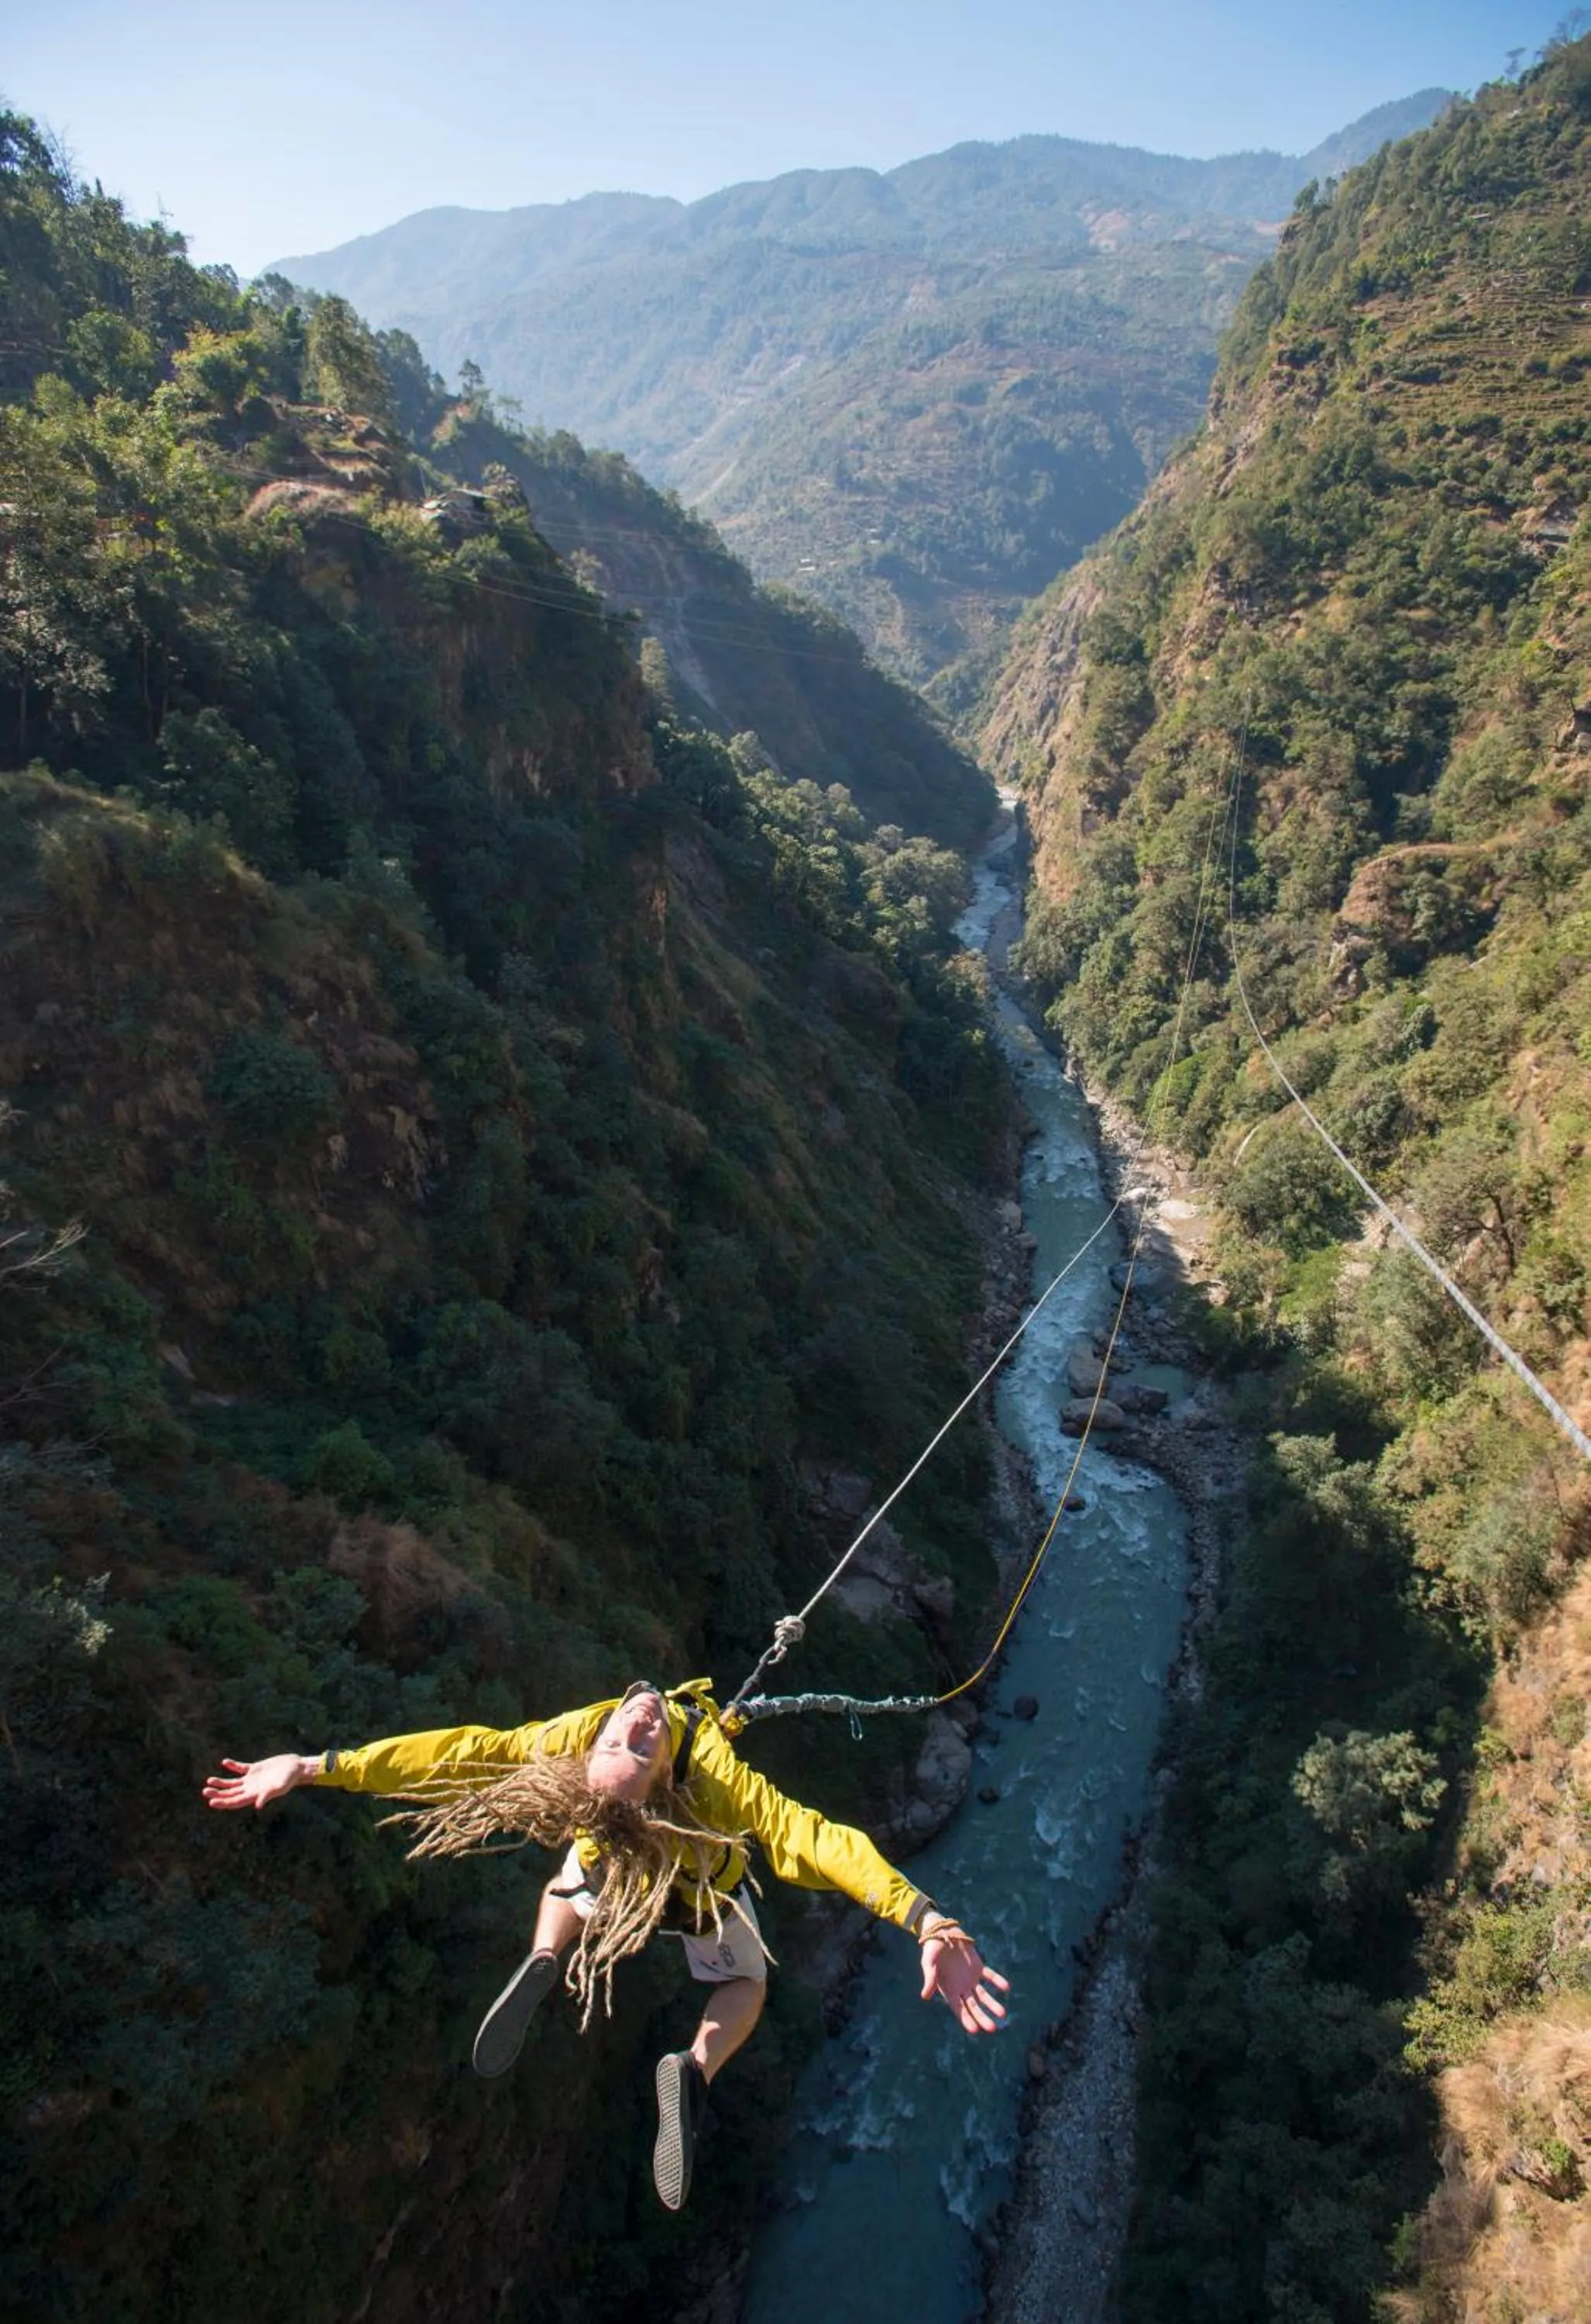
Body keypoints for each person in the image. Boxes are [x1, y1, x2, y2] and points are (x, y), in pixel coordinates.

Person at [202, 1676, 1009, 2210]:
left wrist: (318, 1766)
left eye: (631, 1738)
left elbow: (452, 1754)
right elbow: (813, 1838)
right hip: (700, 1896)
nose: (639, 1723)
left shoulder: (568, 1740)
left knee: (567, 1884)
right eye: (638, 1742)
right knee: (745, 1987)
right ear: (663, 1780)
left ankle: (547, 1956)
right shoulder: (715, 1779)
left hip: (610, 1872)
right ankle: (692, 2071)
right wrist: (922, 1917)